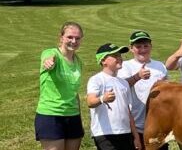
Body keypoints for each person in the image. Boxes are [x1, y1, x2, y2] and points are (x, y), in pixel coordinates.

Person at [36, 22, 85, 150]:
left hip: (73, 115)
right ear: (61, 37)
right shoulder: (52, 54)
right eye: (70, 37)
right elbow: (48, 59)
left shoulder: (78, 61)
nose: (74, 41)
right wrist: (48, 62)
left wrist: (79, 117)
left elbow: (74, 93)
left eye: (77, 38)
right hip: (51, 115)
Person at [118, 30, 168, 150]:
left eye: (146, 46)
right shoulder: (125, 66)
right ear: (131, 48)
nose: (143, 49)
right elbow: (121, 87)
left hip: (158, 124)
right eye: (138, 46)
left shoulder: (160, 66)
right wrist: (137, 77)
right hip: (135, 124)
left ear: (151, 46)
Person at [86, 43, 137, 150]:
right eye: (115, 56)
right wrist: (102, 99)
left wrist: (135, 136)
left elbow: (128, 111)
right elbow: (90, 102)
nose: (120, 58)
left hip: (126, 132)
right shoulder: (96, 80)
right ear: (103, 61)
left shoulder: (124, 83)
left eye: (120, 56)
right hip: (105, 133)